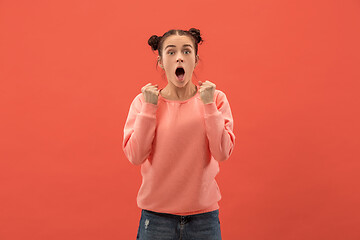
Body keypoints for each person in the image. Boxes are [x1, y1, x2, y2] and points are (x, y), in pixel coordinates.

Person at [122, 28, 235, 240]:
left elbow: (222, 153)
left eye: (186, 51)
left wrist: (209, 105)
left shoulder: (215, 99)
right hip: (156, 219)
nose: (179, 57)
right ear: (161, 61)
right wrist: (149, 109)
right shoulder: (143, 102)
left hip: (204, 220)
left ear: (196, 59)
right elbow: (135, 156)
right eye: (171, 52)